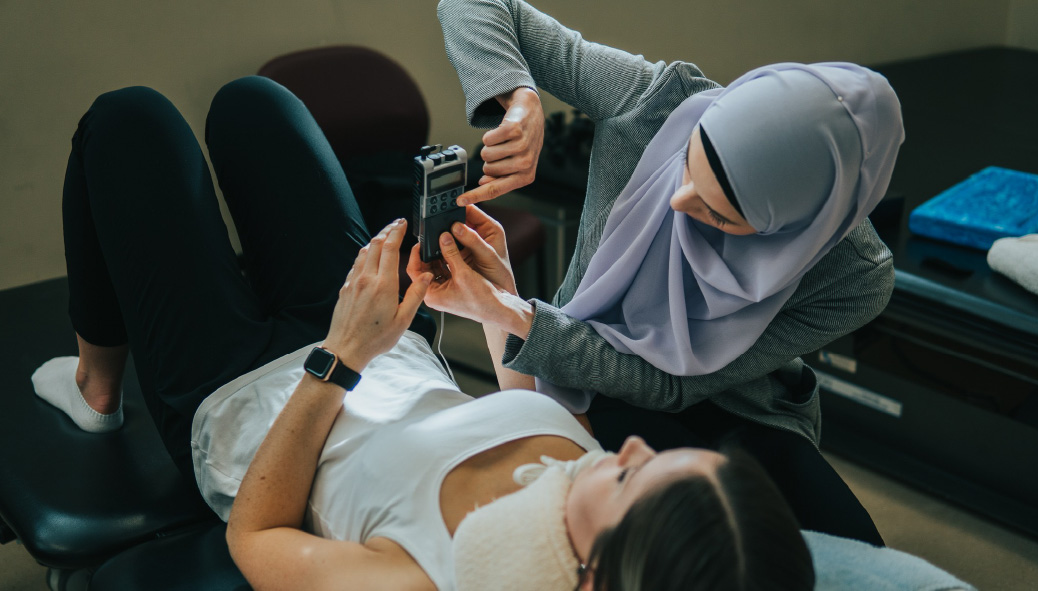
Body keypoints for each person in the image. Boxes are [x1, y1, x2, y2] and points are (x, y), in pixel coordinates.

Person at [31, 77, 816, 590]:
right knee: (255, 107)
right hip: (387, 341)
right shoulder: (589, 494)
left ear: (593, 578)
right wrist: (497, 305)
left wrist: (339, 358)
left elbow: (255, 534)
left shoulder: (431, 578)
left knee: (127, 123)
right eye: (662, 456)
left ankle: (97, 387)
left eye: (626, 477)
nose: (630, 449)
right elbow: (543, 418)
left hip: (253, 401)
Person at [431, 0, 905, 546]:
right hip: (588, 373)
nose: (677, 203)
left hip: (737, 407)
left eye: (718, 214)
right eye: (686, 162)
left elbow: (668, 386)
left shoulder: (855, 280)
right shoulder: (654, 103)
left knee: (853, 549)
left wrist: (512, 312)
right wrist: (520, 97)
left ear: (791, 231)